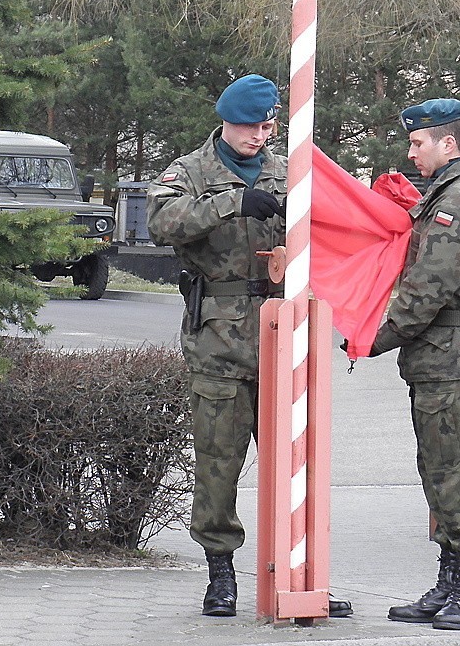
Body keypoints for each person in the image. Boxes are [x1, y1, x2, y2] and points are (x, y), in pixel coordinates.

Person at [146, 74, 352, 619]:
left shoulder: (291, 169)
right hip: (219, 336)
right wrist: (232, 204)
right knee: (218, 460)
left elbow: (333, 221)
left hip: (285, 334)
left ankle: (302, 571)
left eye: (267, 126)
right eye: (250, 126)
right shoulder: (189, 171)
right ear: (226, 121)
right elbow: (162, 221)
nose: (259, 136)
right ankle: (220, 574)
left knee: (296, 464)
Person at [366, 99, 460, 630]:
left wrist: (372, 338)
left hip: (453, 357)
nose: (411, 152)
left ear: (449, 143)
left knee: (455, 473)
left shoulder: (457, 202)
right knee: (441, 469)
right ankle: (449, 584)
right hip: (448, 356)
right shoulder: (457, 193)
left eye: (418, 143)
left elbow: (427, 290)